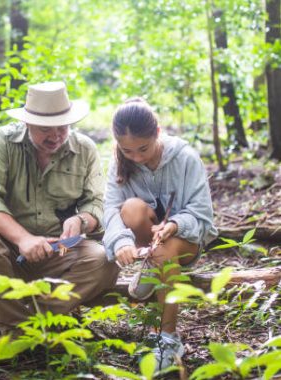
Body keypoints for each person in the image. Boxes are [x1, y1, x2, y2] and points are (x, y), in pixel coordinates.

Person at [0, 81, 119, 334]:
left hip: (60, 250)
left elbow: (96, 202)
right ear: (27, 123)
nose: (55, 136)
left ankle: (38, 323)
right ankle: (16, 329)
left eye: (62, 127)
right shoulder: (4, 142)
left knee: (105, 259)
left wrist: (81, 222)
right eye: (45, 129)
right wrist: (24, 239)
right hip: (6, 249)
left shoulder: (84, 149)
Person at [103, 98, 218, 371]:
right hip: (148, 243)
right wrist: (120, 241)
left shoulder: (185, 157)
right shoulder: (119, 162)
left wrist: (175, 225)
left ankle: (168, 338)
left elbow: (202, 213)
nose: (137, 157)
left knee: (164, 250)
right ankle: (151, 267)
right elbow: (109, 209)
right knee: (130, 208)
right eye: (128, 150)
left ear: (157, 132)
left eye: (143, 148)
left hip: (185, 241)